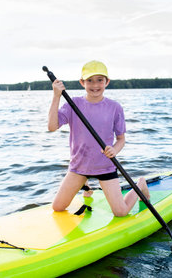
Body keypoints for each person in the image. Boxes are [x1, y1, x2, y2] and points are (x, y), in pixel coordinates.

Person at [48, 60, 150, 217]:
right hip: (79, 166)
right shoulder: (73, 104)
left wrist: (114, 149)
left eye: (99, 80)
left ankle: (140, 184)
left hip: (105, 166)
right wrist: (56, 96)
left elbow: (121, 139)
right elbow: (52, 127)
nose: (95, 85)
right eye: (89, 80)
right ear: (82, 82)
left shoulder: (115, 107)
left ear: (107, 82)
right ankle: (86, 185)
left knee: (121, 212)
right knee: (58, 207)